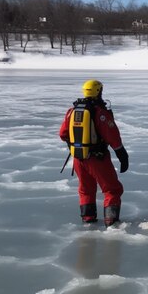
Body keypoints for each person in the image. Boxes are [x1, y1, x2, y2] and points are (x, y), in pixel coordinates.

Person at [59, 79, 129, 227]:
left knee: (85, 189)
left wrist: (77, 147)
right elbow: (113, 136)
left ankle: (88, 219)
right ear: (99, 92)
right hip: (98, 159)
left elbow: (63, 134)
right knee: (112, 189)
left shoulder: (72, 111)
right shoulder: (100, 113)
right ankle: (111, 221)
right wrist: (122, 155)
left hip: (78, 158)